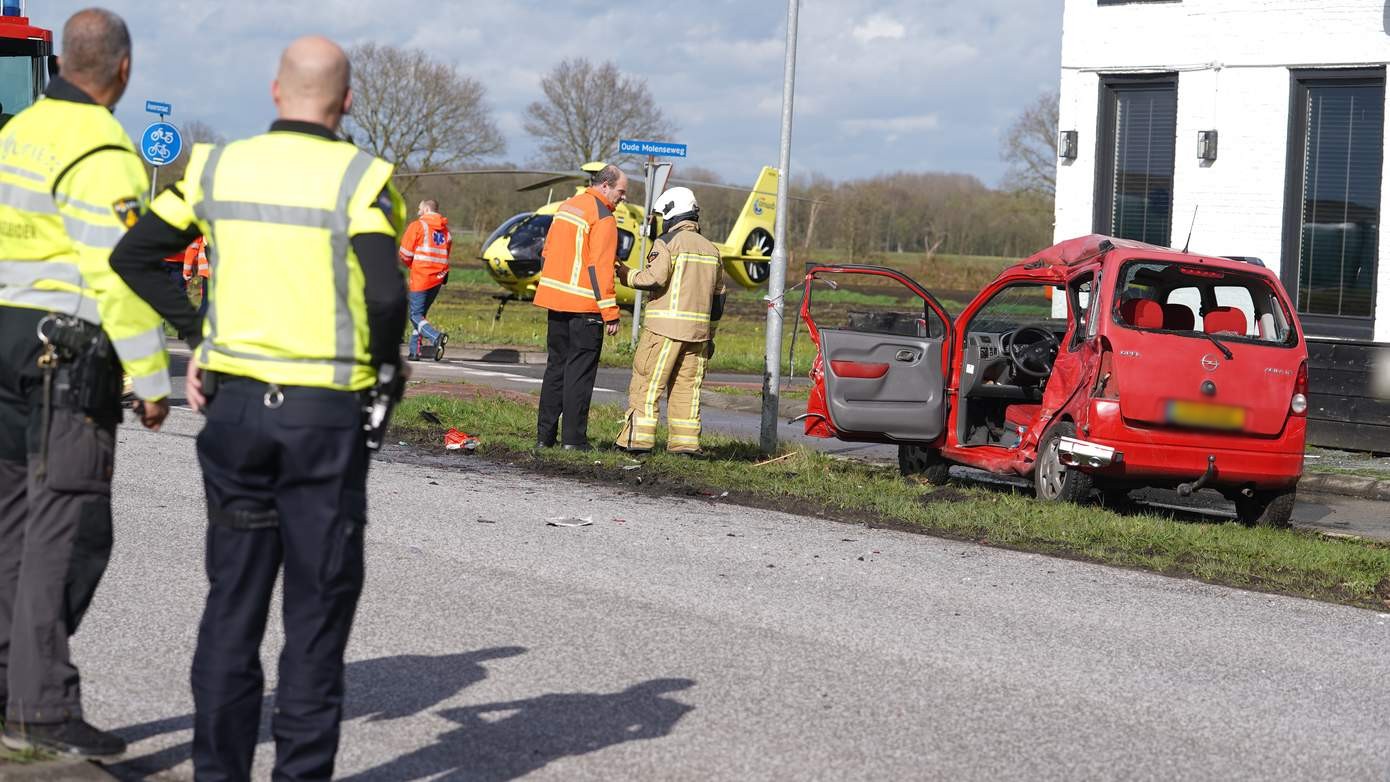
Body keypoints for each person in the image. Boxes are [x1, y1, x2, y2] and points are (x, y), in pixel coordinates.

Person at [108, 35, 406, 780]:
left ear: (275, 93)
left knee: (232, 607)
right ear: (347, 102)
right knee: (315, 617)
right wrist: (383, 376)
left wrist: (202, 332)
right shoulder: (364, 179)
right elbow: (385, 291)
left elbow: (136, 254)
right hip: (321, 423)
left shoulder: (216, 166)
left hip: (236, 415)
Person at [0, 8, 172, 759]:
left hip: (4, 345)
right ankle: (39, 709)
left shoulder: (17, 134)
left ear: (62, 61)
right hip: (63, 362)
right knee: (64, 535)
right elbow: (122, 277)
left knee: (9, 527)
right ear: (123, 71)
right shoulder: (105, 151)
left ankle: (10, 689)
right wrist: (151, 377)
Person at [615, 187, 725, 454]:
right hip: (698, 336)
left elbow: (655, 278)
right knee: (687, 389)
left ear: (672, 214)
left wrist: (627, 275)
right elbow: (719, 298)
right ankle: (685, 444)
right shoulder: (712, 250)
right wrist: (710, 335)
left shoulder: (668, 243)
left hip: (664, 331)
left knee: (647, 385)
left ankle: (636, 440)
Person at [533, 164, 626, 450]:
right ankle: (573, 440)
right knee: (579, 375)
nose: (623, 198)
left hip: (555, 302)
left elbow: (547, 251)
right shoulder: (604, 217)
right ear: (606, 186)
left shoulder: (567, 207)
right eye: (622, 192)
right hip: (585, 306)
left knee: (556, 369)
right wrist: (610, 312)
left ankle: (544, 438)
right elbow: (599, 269)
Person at [398, 199, 452, 360]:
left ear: (427, 209)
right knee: (421, 315)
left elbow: (405, 253)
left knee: (414, 315)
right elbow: (445, 255)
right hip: (438, 279)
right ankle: (415, 352)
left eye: (420, 208)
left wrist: (412, 265)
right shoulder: (446, 232)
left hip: (421, 277)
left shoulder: (417, 226)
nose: (418, 211)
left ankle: (436, 337)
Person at [181, 235, 209, 318]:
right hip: (228, 270)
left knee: (208, 303)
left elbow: (193, 248)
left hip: (207, 271)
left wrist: (187, 270)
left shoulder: (205, 224)